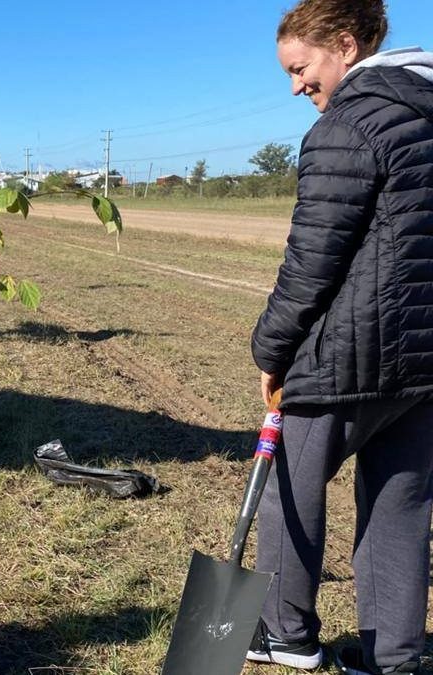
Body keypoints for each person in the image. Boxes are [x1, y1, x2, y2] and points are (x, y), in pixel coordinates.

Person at [246, 1, 433, 674]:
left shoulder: (347, 124)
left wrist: (270, 350)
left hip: (346, 355)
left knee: (286, 486)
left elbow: (311, 263)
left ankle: (283, 632)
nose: (296, 86)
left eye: (299, 68)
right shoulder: (424, 109)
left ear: (345, 46)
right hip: (422, 361)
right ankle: (395, 655)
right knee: (400, 502)